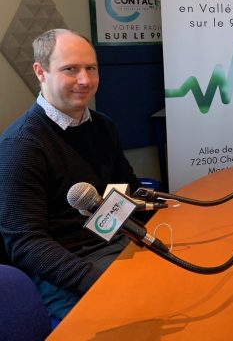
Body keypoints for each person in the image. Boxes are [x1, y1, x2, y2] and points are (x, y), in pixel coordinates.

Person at [0, 29, 142, 319]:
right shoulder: (21, 146)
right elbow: (26, 242)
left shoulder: (103, 127)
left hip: (117, 242)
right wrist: (97, 283)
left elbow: (127, 189)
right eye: (71, 69)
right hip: (65, 270)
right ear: (41, 72)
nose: (85, 80)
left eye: (91, 68)